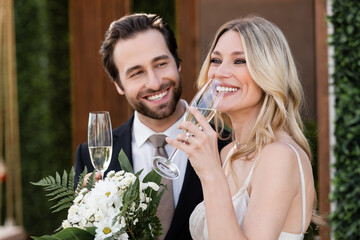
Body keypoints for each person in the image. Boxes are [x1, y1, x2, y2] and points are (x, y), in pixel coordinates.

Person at [74, 13, 229, 240]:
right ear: (118, 84)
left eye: (161, 64)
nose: (155, 83)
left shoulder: (228, 144)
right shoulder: (91, 157)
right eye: (136, 73)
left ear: (178, 63)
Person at [166, 15, 322, 240]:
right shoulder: (228, 153)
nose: (220, 73)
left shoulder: (279, 156)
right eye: (216, 60)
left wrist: (211, 173)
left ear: (268, 71)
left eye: (239, 61)